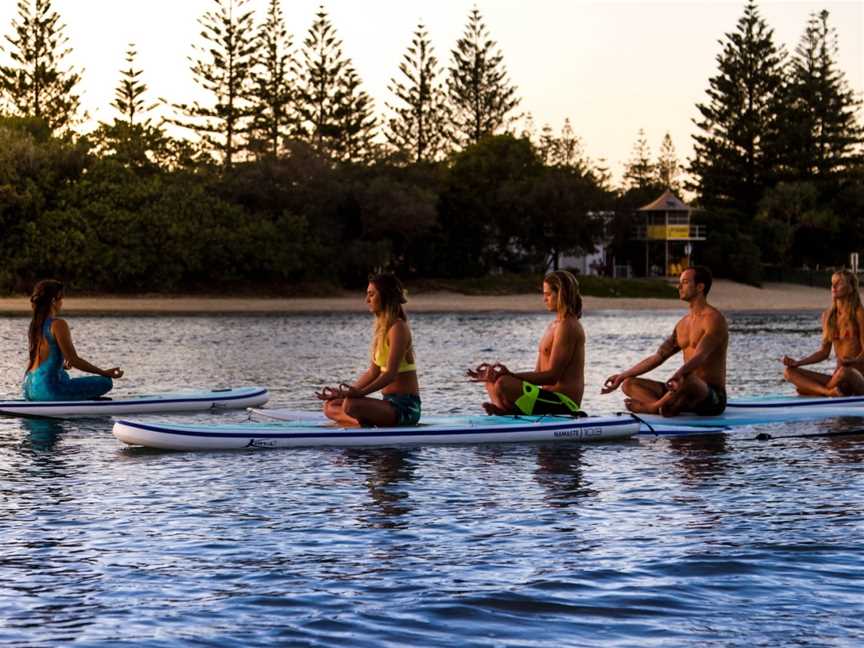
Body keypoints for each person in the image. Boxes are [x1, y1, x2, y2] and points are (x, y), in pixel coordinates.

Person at [602, 265, 728, 416]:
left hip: (710, 397)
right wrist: (622, 376)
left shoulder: (714, 320)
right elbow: (658, 357)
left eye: (685, 282)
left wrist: (679, 374)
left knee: (688, 377)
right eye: (680, 282)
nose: (679, 286)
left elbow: (700, 356)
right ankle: (664, 406)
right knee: (629, 384)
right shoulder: (683, 324)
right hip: (682, 389)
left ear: (700, 287)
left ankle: (653, 407)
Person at [467, 270, 585, 416]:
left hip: (564, 403)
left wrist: (510, 375)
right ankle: (508, 411)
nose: (544, 299)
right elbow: (538, 374)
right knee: (491, 380)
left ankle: (508, 411)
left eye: (548, 294)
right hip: (547, 398)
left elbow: (552, 376)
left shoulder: (568, 326)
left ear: (561, 294)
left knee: (503, 383)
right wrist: (496, 375)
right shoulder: (554, 326)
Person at [317, 273, 421, 427]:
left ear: (385, 296)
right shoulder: (382, 330)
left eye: (372, 294)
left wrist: (359, 394)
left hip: (405, 408)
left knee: (351, 405)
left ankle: (359, 422)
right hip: (387, 404)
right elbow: (373, 372)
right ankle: (362, 422)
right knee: (331, 405)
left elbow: (390, 375)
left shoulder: (398, 328)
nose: (367, 300)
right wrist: (346, 392)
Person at [23, 279, 124, 401]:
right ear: (53, 301)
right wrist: (104, 373)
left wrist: (61, 367)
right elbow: (74, 360)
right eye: (61, 298)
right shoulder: (58, 324)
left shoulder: (35, 325)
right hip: (48, 390)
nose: (62, 302)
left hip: (29, 388)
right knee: (105, 382)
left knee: (64, 375)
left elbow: (39, 360)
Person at [782, 269, 864, 397]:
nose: (834, 287)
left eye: (839, 283)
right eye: (832, 283)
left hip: (858, 378)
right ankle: (828, 392)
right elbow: (823, 353)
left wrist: (853, 360)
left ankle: (813, 390)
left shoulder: (859, 313)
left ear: (850, 288)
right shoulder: (827, 316)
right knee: (788, 372)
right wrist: (798, 363)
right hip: (838, 378)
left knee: (844, 371)